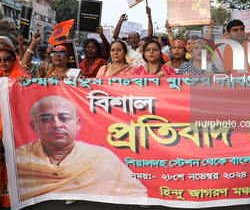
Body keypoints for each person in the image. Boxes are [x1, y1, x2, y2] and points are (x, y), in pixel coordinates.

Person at [16, 95, 147, 201]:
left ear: (77, 123)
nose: (57, 124)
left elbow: (136, 194)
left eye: (64, 118)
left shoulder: (99, 156)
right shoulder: (20, 159)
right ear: (33, 126)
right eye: (46, 119)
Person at [0, 47, 30, 210]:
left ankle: (11, 198)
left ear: (14, 60)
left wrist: (25, 85)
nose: (3, 62)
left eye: (7, 58)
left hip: (13, 129)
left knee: (12, 164)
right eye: (0, 59)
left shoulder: (22, 79)